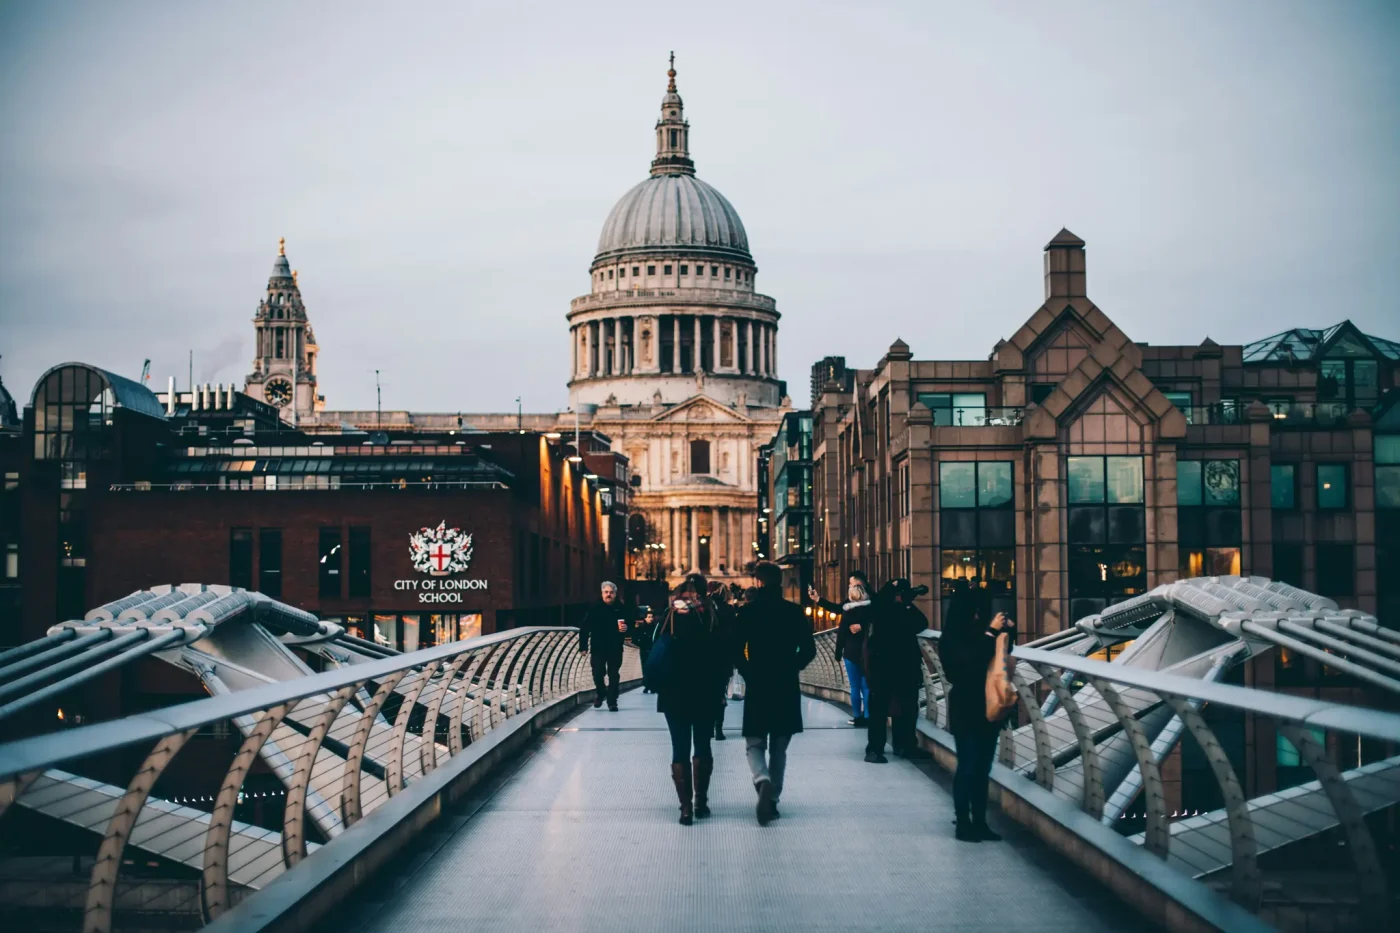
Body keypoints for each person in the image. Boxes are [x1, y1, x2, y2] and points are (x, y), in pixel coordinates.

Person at [735, 560, 817, 825]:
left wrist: (749, 673)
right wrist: (792, 667)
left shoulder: (748, 613)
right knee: (780, 746)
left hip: (759, 683)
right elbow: (809, 650)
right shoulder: (794, 612)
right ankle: (773, 800)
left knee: (755, 742)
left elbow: (735, 649)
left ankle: (762, 780)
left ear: (758, 582)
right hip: (785, 684)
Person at [939, 579, 1015, 842]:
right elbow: (966, 664)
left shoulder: (981, 633)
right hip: (965, 706)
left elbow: (997, 663)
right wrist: (990, 634)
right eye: (973, 611)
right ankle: (963, 822)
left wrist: (1007, 635)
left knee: (983, 768)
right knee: (968, 765)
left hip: (988, 707)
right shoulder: (951, 638)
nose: (977, 615)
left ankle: (980, 821)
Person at [655, 573, 727, 825]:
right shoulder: (711, 616)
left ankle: (685, 808)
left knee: (679, 747)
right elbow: (723, 657)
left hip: (674, 692)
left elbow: (654, 648)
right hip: (705, 691)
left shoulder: (670, 616)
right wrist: (720, 690)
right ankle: (701, 802)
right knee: (703, 745)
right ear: (703, 592)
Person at [863, 579, 927, 763]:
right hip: (883, 667)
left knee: (907, 708)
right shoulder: (880, 608)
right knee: (879, 709)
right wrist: (891, 593)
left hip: (905, 667)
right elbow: (875, 611)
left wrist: (907, 604)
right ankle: (875, 749)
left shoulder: (905, 610)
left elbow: (921, 623)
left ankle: (905, 745)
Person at [578, 581, 634, 711]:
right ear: (602, 593)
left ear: (615, 594)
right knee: (598, 673)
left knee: (613, 674)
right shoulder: (594, 608)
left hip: (615, 647)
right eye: (606, 592)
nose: (608, 595)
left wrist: (627, 628)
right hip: (598, 647)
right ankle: (601, 693)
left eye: (611, 592)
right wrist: (583, 647)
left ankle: (612, 701)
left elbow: (631, 623)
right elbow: (585, 628)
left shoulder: (622, 608)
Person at [831, 580, 874, 726]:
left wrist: (837, 652)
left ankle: (857, 717)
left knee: (854, 686)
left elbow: (841, 634)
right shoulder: (870, 611)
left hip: (850, 652)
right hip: (866, 652)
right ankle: (868, 716)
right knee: (866, 685)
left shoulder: (847, 612)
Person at [709, 580, 738, 740]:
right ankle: (718, 728)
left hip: (705, 659)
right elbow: (734, 635)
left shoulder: (702, 608)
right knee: (720, 693)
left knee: (706, 693)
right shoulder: (728, 610)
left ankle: (706, 725)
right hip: (723, 659)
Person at [633, 606, 657, 694]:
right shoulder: (641, 628)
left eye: (652, 617)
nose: (650, 619)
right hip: (644, 649)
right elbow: (634, 639)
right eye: (649, 617)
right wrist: (640, 644)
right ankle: (647, 685)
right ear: (645, 618)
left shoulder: (655, 628)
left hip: (653, 650)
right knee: (645, 668)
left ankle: (650, 685)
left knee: (652, 668)